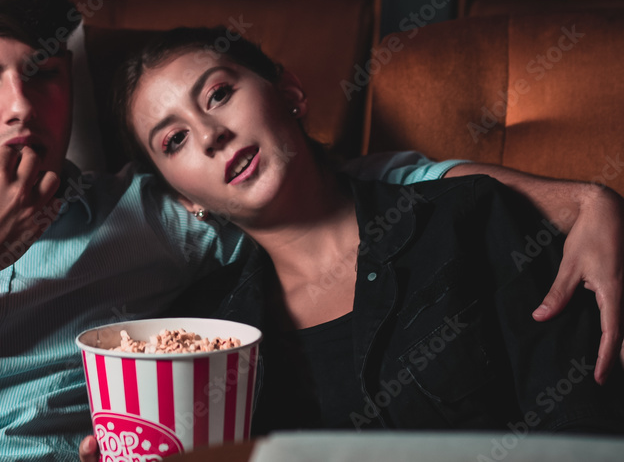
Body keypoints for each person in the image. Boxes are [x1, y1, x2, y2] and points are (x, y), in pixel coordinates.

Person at [0, 0, 624, 461]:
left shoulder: (159, 214)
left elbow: (341, 188)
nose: (20, 108)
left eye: (45, 76)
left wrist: (578, 199)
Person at [79, 26, 624, 455]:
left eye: (219, 94)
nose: (209, 135)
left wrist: (592, 199)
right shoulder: (200, 335)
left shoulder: (470, 217)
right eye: (174, 140)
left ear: (290, 92)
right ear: (183, 197)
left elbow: (580, 423)